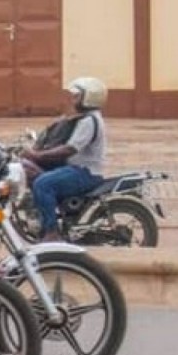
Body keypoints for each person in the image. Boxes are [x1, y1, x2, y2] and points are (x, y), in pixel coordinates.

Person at [22, 77, 110, 243]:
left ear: (89, 98)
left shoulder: (89, 121)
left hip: (85, 173)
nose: (72, 100)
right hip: (77, 169)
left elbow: (69, 149)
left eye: (77, 96)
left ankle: (52, 232)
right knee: (32, 172)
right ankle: (43, 215)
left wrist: (37, 156)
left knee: (43, 183)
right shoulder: (84, 118)